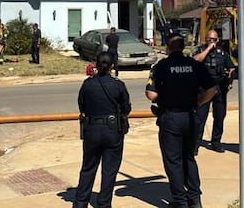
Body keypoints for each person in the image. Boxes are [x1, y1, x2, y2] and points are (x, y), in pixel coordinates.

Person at [145, 32, 217, 208]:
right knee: (189, 158)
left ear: (168, 47)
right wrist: (199, 102)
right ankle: (195, 199)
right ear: (183, 47)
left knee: (173, 161)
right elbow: (213, 89)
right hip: (191, 116)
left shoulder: (161, 66)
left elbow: (151, 94)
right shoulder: (194, 65)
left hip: (170, 118)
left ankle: (180, 201)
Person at [74, 52, 131, 208]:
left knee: (88, 168)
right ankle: (104, 203)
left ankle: (80, 203)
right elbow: (126, 108)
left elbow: (82, 105)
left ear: (96, 65)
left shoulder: (87, 84)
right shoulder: (118, 85)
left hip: (92, 129)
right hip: (112, 131)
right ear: (112, 66)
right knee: (109, 171)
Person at [192, 29, 236, 154]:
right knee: (200, 118)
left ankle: (216, 142)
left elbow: (231, 68)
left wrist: (230, 80)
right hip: (204, 89)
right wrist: (208, 49)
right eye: (210, 39)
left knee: (219, 116)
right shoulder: (200, 50)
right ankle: (195, 145)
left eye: (215, 40)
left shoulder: (222, 53)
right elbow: (195, 61)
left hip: (219, 88)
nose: (212, 42)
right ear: (206, 39)